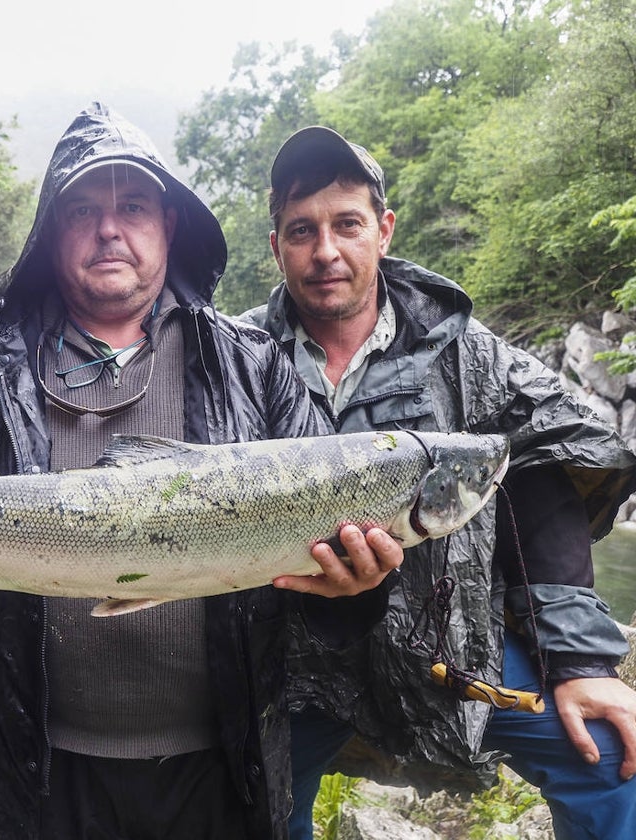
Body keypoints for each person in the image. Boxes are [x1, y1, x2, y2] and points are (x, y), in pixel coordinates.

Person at [0, 102, 404, 840]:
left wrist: (354, 591)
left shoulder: (253, 365)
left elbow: (322, 585)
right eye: (84, 209)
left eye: (134, 206)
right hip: (34, 777)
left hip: (222, 775)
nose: (111, 228)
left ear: (168, 225)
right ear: (53, 231)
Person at [242, 125, 636, 839]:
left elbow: (545, 469)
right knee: (254, 805)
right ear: (276, 247)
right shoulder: (234, 357)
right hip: (291, 654)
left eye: (347, 225)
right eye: (302, 230)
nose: (325, 251)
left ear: (384, 230)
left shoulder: (473, 353)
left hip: (450, 640)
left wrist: (579, 659)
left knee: (610, 760)